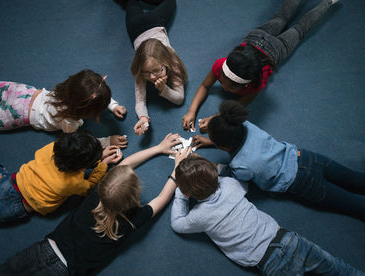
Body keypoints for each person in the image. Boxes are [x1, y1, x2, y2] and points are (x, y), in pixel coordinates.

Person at [0, 133, 189, 276]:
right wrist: (177, 169)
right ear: (134, 200)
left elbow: (124, 166)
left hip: (45, 248)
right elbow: (160, 200)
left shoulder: (95, 193)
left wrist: (157, 148)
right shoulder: (129, 221)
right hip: (66, 270)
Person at [171, 155, 363, 275]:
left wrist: (181, 193)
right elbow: (241, 180)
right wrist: (213, 169)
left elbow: (178, 224)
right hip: (288, 239)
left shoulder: (199, 216)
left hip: (269, 262)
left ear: (188, 193)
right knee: (338, 268)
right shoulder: (231, 185)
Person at [192, 100, 365, 221]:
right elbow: (233, 137)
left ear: (222, 147)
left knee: (353, 205)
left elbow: (234, 174)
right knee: (355, 178)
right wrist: (212, 138)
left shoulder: (240, 166)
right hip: (307, 157)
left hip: (302, 182)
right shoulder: (246, 125)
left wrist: (213, 166)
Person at [182, 0, 340, 132]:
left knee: (299, 29)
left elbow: (242, 102)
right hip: (257, 36)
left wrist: (217, 118)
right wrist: (191, 111)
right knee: (281, 17)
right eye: (222, 81)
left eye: (231, 87)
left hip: (278, 48)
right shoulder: (221, 65)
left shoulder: (257, 82)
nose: (224, 87)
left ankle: (327, 2)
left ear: (247, 84)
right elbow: (204, 85)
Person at [0, 129, 123, 225]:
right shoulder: (72, 182)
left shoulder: (53, 147)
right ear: (81, 167)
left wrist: (98, 155)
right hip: (15, 207)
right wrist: (103, 163)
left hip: (5, 182)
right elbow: (90, 187)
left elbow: (75, 159)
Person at [0, 68, 127, 140]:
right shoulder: (70, 122)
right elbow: (76, 140)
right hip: (17, 115)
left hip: (23, 91)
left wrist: (112, 105)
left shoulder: (68, 88)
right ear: (86, 110)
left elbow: (92, 94)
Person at [126, 0, 188, 135]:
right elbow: (140, 101)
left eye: (157, 71)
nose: (152, 77)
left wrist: (164, 89)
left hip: (155, 22)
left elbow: (179, 99)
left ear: (165, 63)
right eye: (146, 72)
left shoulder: (173, 62)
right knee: (130, 3)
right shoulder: (140, 69)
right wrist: (143, 118)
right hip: (135, 28)